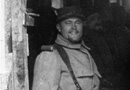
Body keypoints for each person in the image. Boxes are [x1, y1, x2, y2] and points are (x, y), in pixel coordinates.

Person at [32, 6, 101, 90]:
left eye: (77, 22)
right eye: (68, 23)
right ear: (59, 28)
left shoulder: (86, 52)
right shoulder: (49, 56)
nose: (74, 27)